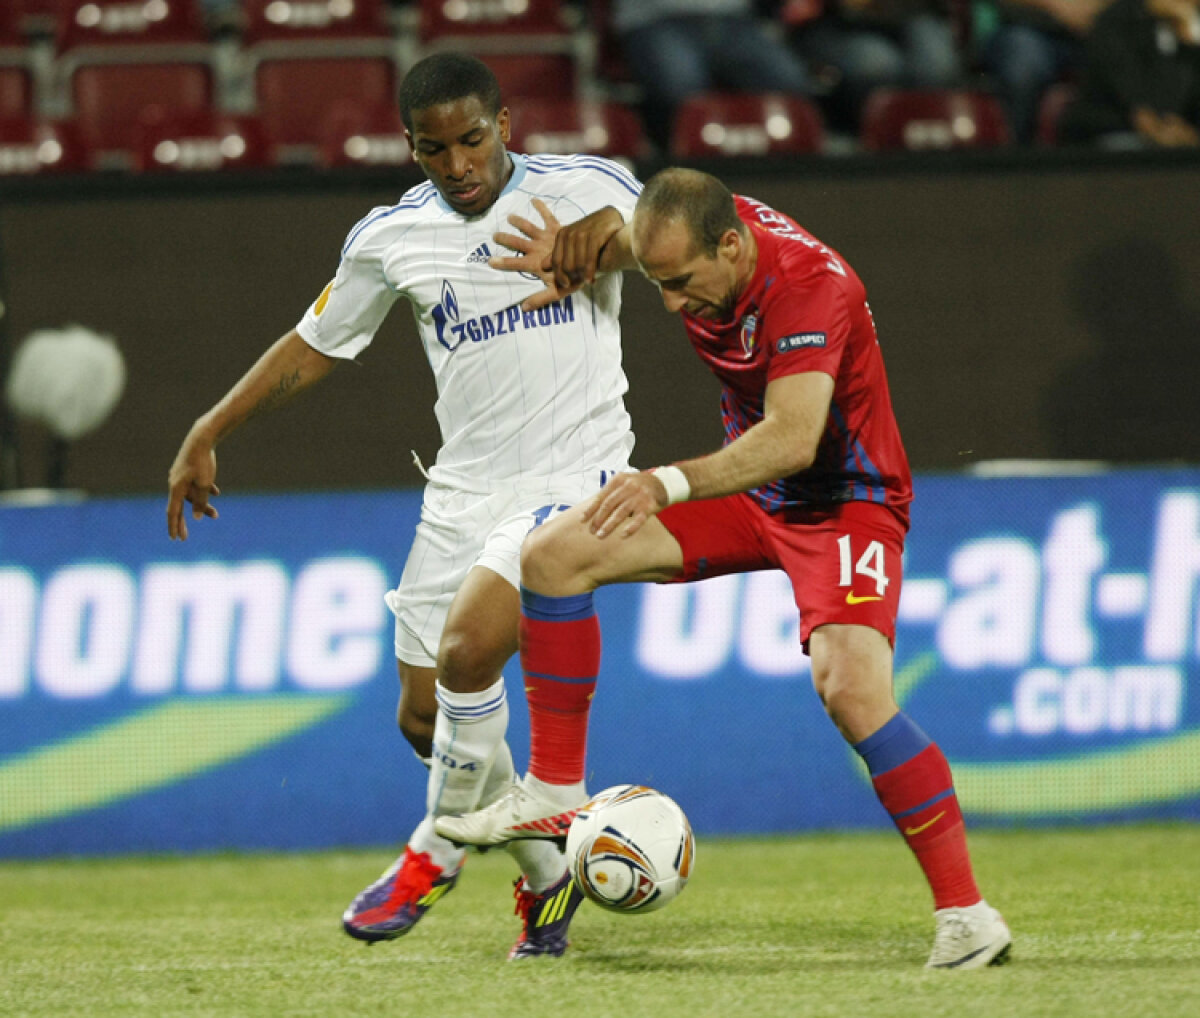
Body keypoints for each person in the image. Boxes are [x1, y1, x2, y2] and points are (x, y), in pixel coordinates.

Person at [436, 167, 1013, 970]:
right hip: (752, 494)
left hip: (844, 499)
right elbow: (620, 238)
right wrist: (571, 255)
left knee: (850, 689)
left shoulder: (812, 285)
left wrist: (664, 483)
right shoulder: (685, 238)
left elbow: (793, 438)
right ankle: (557, 791)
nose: (671, 302)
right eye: (657, 280)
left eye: (680, 283)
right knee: (554, 554)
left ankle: (968, 915)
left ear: (733, 247)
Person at [165, 52, 642, 959]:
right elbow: (315, 345)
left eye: (471, 139)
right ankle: (548, 880)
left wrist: (615, 231)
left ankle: (436, 851)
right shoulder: (393, 236)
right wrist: (211, 425)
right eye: (434, 149)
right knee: (423, 718)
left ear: (505, 124)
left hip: (577, 478)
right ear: (411, 147)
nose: (458, 165)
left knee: (469, 652)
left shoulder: (586, 183)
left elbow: (681, 227)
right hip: (464, 489)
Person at [611, 0, 815, 151]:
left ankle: (784, 179)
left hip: (734, 20)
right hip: (656, 20)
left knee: (790, 82)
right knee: (682, 87)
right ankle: (676, 167)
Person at [791, 0, 964, 132]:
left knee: (937, 66)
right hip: (841, 24)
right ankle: (876, 143)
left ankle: (930, 150)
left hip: (913, 12)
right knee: (877, 65)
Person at [1059, 0, 1200, 146]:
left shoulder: (1192, 25)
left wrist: (1190, 34)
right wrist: (1166, 127)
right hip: (1114, 129)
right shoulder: (1117, 21)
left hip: (1181, 134)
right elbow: (1140, 101)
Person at [975, 0, 1112, 143]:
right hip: (1026, 28)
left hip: (1100, 30)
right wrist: (1059, 6)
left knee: (1120, 56)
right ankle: (1020, 154)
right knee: (1025, 64)